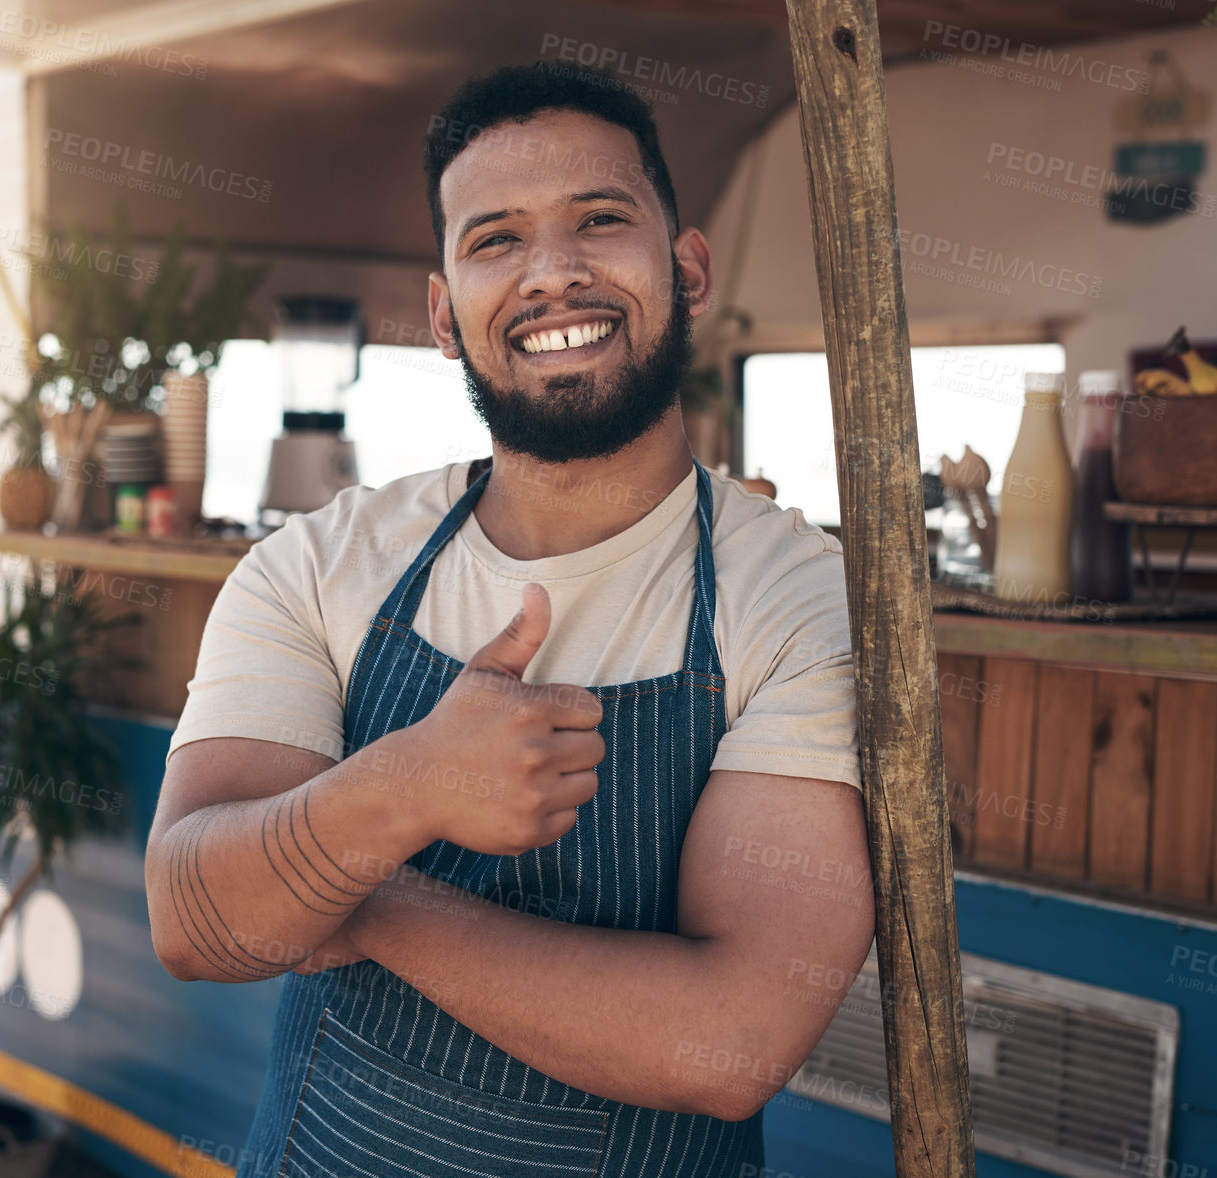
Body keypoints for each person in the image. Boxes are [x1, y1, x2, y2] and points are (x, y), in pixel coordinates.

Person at [145, 61, 874, 1177]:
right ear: (443, 314)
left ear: (686, 270)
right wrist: (409, 785)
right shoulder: (321, 564)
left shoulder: (797, 600)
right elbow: (195, 922)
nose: (553, 273)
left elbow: (729, 1041)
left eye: (599, 220)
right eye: (494, 240)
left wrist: (351, 893)